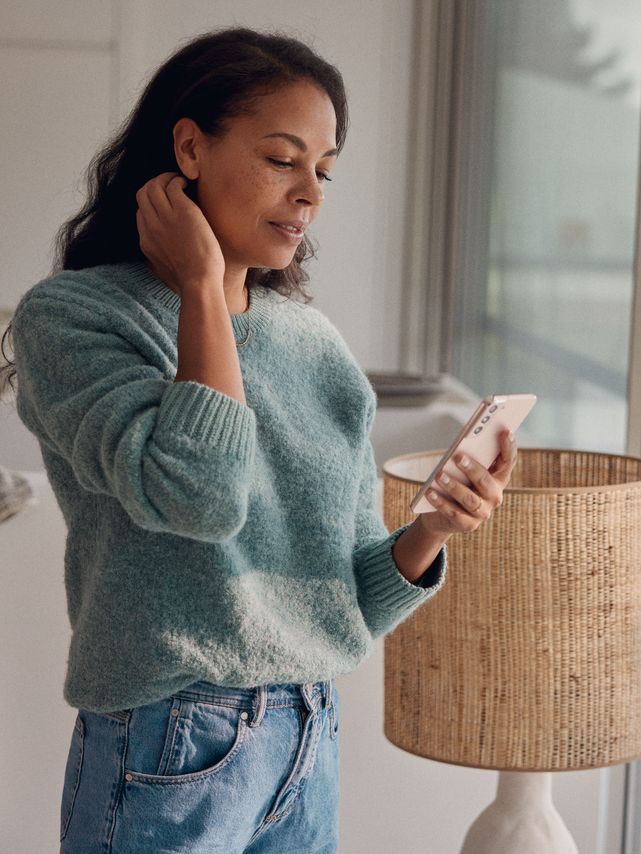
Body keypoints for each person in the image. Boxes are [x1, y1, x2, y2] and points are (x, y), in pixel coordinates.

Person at [2, 26, 517, 854]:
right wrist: (202, 286)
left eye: (324, 169)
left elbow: (343, 602)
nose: (309, 192)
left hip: (306, 732)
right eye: (282, 159)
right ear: (189, 148)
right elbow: (196, 498)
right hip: (169, 736)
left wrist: (431, 531)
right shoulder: (73, 319)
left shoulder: (312, 343)